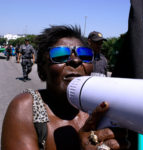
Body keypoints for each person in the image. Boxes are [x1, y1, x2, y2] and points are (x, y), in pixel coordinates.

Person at [1, 25, 129, 150]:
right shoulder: (26, 108)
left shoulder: (102, 108)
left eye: (84, 55)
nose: (76, 60)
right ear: (41, 71)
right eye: (60, 54)